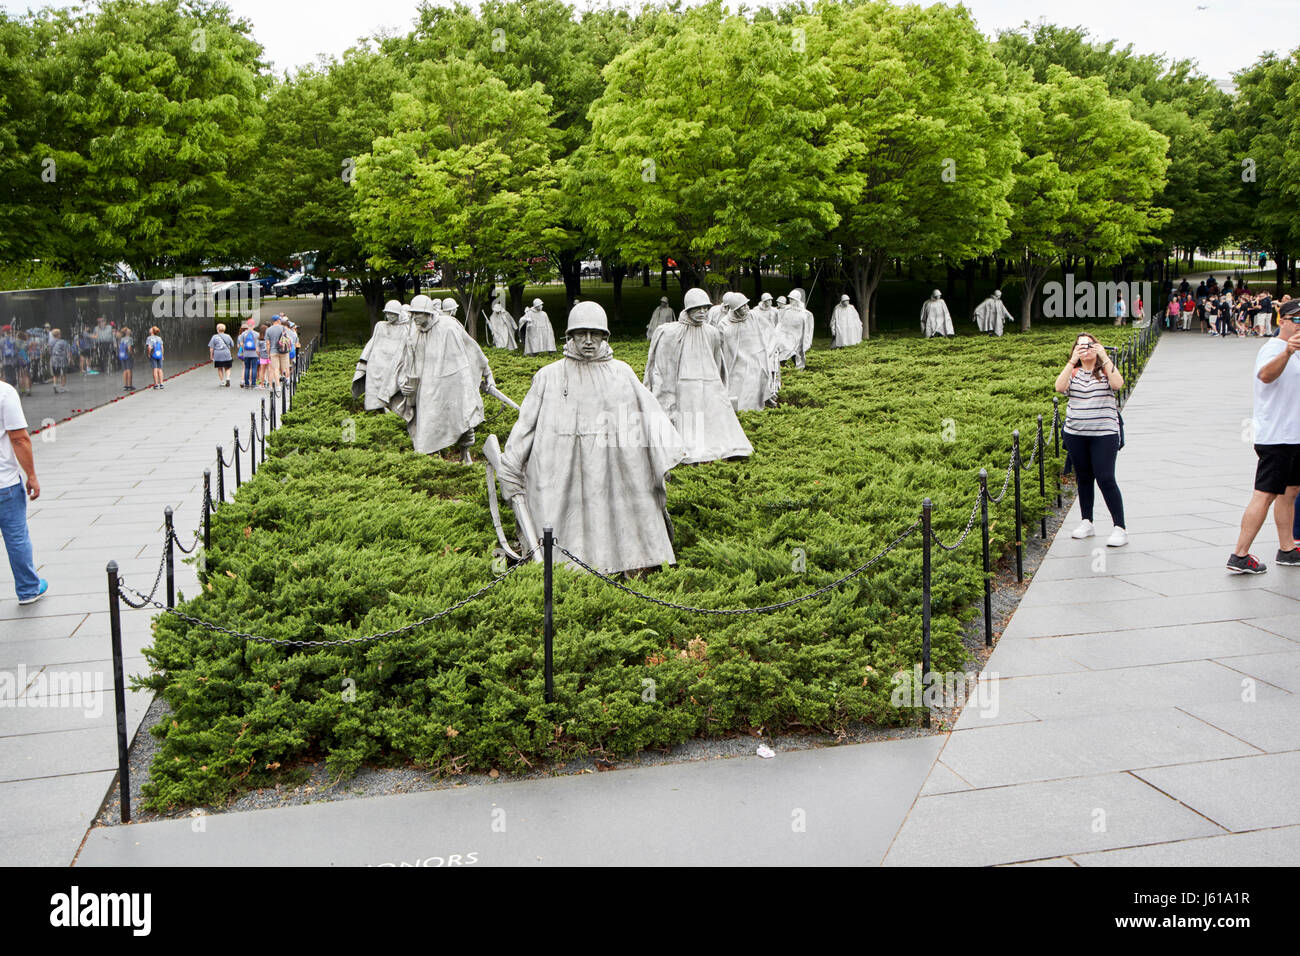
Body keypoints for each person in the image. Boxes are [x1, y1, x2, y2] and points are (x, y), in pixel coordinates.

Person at [498, 301, 685, 574]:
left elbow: (650, 417)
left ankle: (630, 565)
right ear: (570, 336)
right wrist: (511, 468)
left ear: (605, 336)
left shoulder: (621, 373)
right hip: (563, 471)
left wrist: (663, 456)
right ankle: (569, 569)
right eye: (581, 333)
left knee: (619, 517)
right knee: (567, 524)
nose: (588, 341)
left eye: (595, 334)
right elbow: (524, 428)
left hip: (615, 469)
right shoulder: (548, 377)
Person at [1230, 300, 1300, 573]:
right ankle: (1240, 554)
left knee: (1290, 492)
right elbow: (1265, 376)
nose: (1298, 326)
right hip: (1276, 437)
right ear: (1281, 321)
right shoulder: (1272, 348)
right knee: (1265, 494)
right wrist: (1286, 352)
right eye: (1296, 320)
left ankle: (1287, 549)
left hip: (1295, 436)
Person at [645, 287, 753, 463]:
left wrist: (718, 387)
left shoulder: (712, 332)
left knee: (717, 418)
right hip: (685, 385)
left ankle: (728, 449)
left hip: (710, 384)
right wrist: (664, 393)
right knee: (689, 423)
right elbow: (663, 367)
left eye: (705, 308)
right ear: (688, 309)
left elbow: (718, 363)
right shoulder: (671, 332)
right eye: (698, 308)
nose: (703, 312)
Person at [390, 294, 496, 462]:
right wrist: (403, 382)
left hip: (454, 382)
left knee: (462, 418)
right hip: (428, 385)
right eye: (413, 313)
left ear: (429, 313)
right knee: (428, 420)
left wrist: (488, 374)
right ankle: (433, 456)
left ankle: (465, 453)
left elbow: (473, 349)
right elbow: (408, 361)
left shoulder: (449, 326)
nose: (414, 317)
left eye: (418, 313)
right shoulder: (414, 332)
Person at [1054, 332, 1127, 547]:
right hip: (1076, 433)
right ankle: (1087, 521)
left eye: (1089, 345)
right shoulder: (1073, 372)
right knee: (1084, 478)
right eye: (1080, 346)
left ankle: (1119, 527)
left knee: (1105, 478)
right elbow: (1059, 387)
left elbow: (1118, 384)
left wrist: (1103, 356)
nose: (1085, 350)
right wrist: (1072, 360)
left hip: (1104, 434)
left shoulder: (1105, 371)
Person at [0, 378, 46, 604]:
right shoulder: (4, 393)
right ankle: (28, 589)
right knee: (16, 538)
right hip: (3, 484)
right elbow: (19, 438)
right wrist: (32, 476)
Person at [352, 299, 410, 411]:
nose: (389, 316)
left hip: (393, 364)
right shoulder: (380, 326)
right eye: (387, 313)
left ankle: (390, 407)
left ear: (398, 313)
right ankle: (376, 409)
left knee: (392, 386)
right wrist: (364, 362)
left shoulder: (405, 328)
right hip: (376, 364)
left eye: (392, 313)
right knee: (373, 390)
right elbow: (372, 343)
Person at [264, 314, 288, 387]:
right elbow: (287, 339)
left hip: (273, 351)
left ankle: (278, 386)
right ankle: (286, 381)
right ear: (278, 320)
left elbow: (268, 344)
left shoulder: (268, 330)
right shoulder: (283, 328)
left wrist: (268, 354)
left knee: (275, 369)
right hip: (283, 350)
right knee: (285, 367)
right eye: (280, 320)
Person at [208, 323, 235, 387]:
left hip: (218, 354)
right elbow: (232, 345)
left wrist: (211, 356)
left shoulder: (214, 337)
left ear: (217, 329)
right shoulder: (228, 336)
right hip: (226, 353)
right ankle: (228, 378)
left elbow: (211, 349)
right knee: (227, 367)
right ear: (224, 329)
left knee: (220, 368)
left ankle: (222, 381)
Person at [236, 320, 259, 388]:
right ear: (254, 325)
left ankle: (246, 383)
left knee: (247, 368)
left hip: (246, 354)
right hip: (254, 353)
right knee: (254, 368)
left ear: (247, 325)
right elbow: (258, 344)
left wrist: (244, 349)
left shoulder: (243, 334)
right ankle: (253, 383)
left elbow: (241, 343)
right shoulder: (257, 334)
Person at [50, 329, 70, 393]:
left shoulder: (50, 342)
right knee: (63, 374)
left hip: (54, 360)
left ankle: (55, 385)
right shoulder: (63, 342)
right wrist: (69, 359)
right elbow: (68, 351)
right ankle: (63, 387)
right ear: (59, 335)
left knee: (55, 374)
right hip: (62, 360)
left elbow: (49, 350)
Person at [117, 326, 135, 391]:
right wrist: (132, 354)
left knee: (124, 370)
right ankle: (130, 385)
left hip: (122, 355)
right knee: (129, 370)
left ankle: (125, 385)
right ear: (127, 332)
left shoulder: (122, 339)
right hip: (128, 355)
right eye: (129, 330)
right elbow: (129, 348)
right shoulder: (130, 339)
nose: (130, 331)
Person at [255, 323, 271, 387]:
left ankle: (261, 384)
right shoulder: (269, 338)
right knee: (269, 370)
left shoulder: (259, 339)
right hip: (269, 356)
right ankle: (270, 384)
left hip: (262, 356)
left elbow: (257, 349)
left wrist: (259, 355)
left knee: (262, 370)